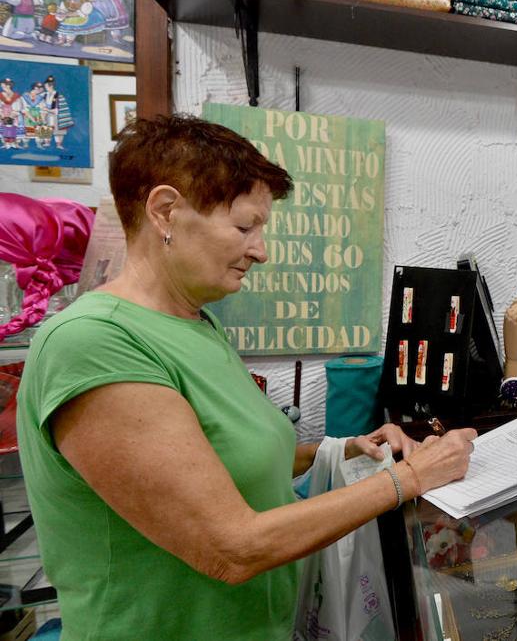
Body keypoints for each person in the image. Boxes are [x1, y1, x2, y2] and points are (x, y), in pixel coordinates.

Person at [17, 114, 478, 640]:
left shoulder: (198, 323)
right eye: (244, 227)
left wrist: (348, 449)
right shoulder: (94, 344)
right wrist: (413, 479)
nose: (260, 250)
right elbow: (230, 547)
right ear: (166, 212)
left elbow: (224, 456)